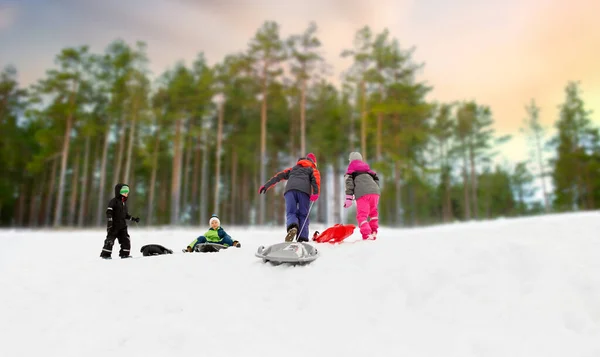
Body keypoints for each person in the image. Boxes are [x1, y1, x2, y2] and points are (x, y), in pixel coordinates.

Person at [258, 153, 320, 242]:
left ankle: (293, 226)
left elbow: (278, 176)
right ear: (314, 163)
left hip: (290, 190)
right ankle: (302, 238)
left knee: (291, 212)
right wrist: (316, 193)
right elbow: (316, 181)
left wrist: (266, 186)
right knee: (303, 214)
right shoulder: (312, 169)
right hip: (304, 191)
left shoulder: (293, 169)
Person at [343, 152, 380, 240]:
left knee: (362, 215)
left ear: (350, 161)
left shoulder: (351, 172)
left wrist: (349, 198)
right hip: (375, 192)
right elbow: (376, 177)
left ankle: (366, 234)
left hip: (363, 194)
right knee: (373, 212)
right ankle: (373, 230)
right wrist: (375, 188)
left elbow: (349, 184)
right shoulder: (367, 169)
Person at [100, 183, 140, 259]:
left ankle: (124, 254)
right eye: (124, 192)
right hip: (114, 226)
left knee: (126, 240)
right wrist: (110, 222)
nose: (126, 194)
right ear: (119, 192)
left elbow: (126, 215)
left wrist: (134, 219)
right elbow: (109, 212)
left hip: (122, 226)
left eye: (127, 193)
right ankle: (106, 255)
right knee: (110, 240)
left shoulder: (124, 203)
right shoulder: (113, 201)